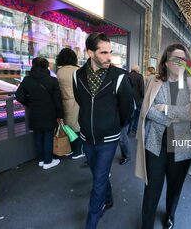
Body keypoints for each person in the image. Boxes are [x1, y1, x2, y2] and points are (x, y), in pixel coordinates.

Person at [135, 43, 191, 229]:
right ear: (166, 62)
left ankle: (170, 215)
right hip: (155, 144)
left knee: (175, 188)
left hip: (182, 147)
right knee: (152, 188)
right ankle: (146, 224)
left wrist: (167, 109)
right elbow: (147, 111)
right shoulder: (154, 81)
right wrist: (178, 117)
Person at [72, 32, 134, 229]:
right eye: (104, 52)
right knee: (98, 173)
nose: (109, 57)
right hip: (86, 137)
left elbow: (128, 109)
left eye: (110, 52)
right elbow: (80, 100)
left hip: (109, 138)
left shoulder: (120, 76)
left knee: (99, 179)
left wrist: (114, 125)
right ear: (90, 52)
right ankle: (108, 199)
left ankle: (91, 222)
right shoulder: (77, 75)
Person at [15, 57, 63, 169]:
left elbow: (18, 96)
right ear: (46, 67)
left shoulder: (27, 79)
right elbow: (57, 100)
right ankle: (48, 161)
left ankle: (41, 160)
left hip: (34, 112)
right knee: (47, 136)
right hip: (49, 113)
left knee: (37, 136)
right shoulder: (52, 80)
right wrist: (60, 115)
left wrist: (29, 102)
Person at [56, 48, 85, 159]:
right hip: (76, 101)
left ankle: (69, 149)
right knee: (77, 126)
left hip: (63, 101)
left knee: (67, 125)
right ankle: (77, 151)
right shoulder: (77, 70)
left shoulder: (59, 72)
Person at [128, 64, 144, 135]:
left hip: (129, 98)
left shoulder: (127, 75)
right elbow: (141, 88)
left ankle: (128, 129)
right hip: (138, 99)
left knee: (129, 115)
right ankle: (135, 129)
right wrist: (143, 97)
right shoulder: (140, 76)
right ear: (137, 70)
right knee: (137, 115)